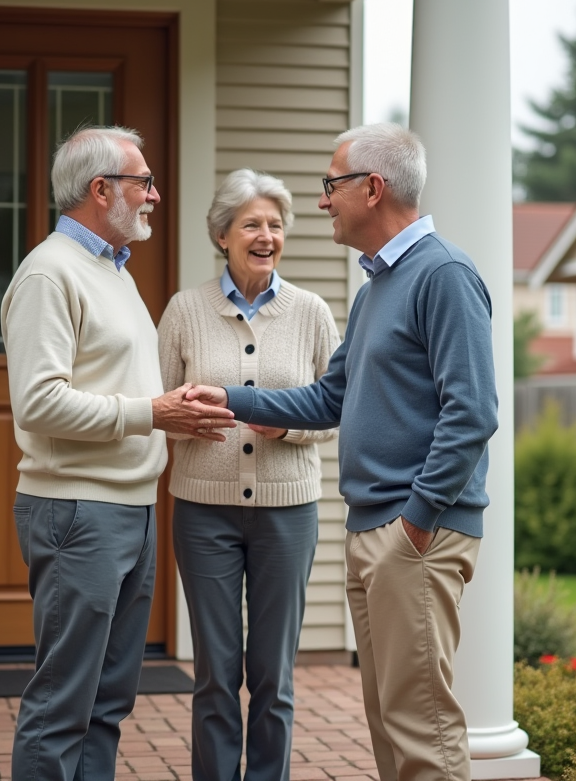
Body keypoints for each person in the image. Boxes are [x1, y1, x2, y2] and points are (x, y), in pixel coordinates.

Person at [186, 123, 498, 781]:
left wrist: (415, 521)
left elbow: (472, 412)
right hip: (376, 530)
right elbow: (329, 400)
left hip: (414, 534)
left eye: (333, 185)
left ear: (373, 188)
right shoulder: (378, 287)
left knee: (422, 726)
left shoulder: (442, 274)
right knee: (389, 720)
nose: (323, 200)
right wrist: (229, 398)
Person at [1, 125, 236, 781]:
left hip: (129, 511)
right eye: (145, 183)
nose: (155, 196)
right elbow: (40, 404)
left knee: (107, 702)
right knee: (63, 704)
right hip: (78, 513)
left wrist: (175, 420)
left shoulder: (112, 272)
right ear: (101, 190)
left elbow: (116, 390)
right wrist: (150, 413)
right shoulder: (50, 274)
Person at [157, 169, 340, 781]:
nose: (266, 236)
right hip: (203, 512)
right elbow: (157, 406)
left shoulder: (311, 313)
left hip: (288, 515)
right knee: (215, 670)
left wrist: (286, 426)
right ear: (223, 236)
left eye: (275, 225)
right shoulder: (185, 310)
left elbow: (337, 409)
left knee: (272, 672)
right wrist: (187, 421)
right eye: (251, 225)